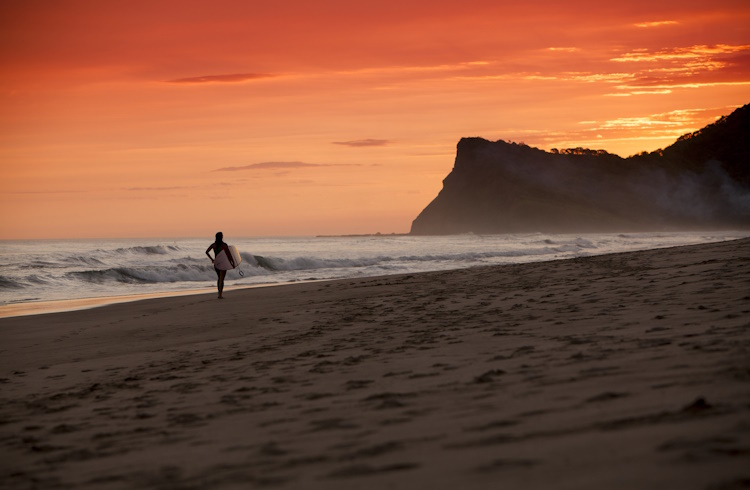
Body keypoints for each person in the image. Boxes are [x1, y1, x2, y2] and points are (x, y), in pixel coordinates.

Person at [206, 232, 235, 299]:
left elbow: (207, 252)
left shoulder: (213, 245)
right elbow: (229, 255)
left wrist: (212, 259)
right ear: (221, 237)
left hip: (216, 263)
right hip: (223, 263)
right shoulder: (224, 245)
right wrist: (232, 263)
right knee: (221, 279)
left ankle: (219, 293)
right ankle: (220, 294)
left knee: (219, 278)